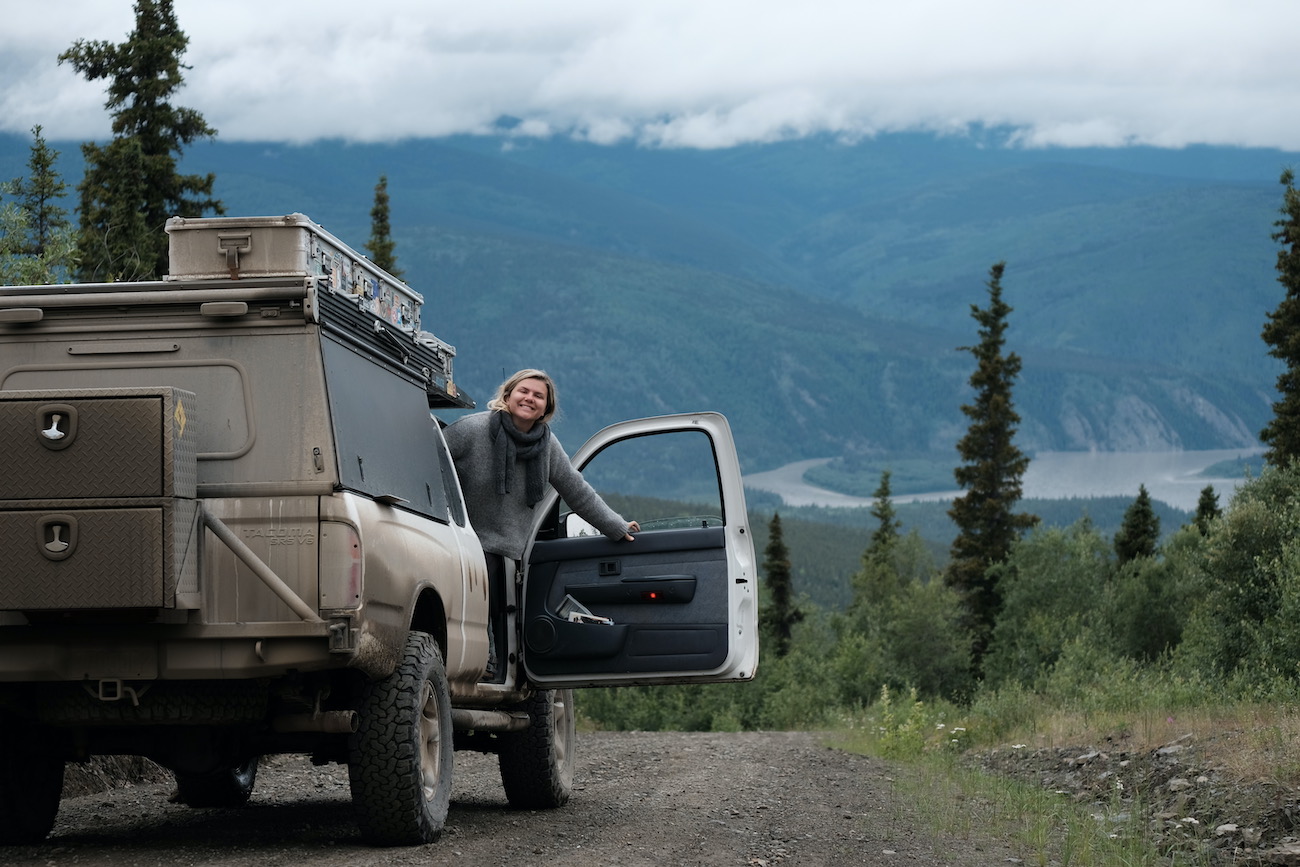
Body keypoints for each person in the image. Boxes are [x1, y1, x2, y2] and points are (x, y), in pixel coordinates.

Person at [442, 368, 639, 678]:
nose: (529, 398)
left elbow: (576, 489)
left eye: (538, 396)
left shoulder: (546, 445)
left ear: (546, 408)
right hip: (465, 542)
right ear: (507, 395)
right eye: (524, 391)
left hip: (514, 552)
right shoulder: (471, 430)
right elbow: (431, 462)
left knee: (519, 622)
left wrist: (616, 526)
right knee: (483, 595)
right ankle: (483, 666)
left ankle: (508, 679)